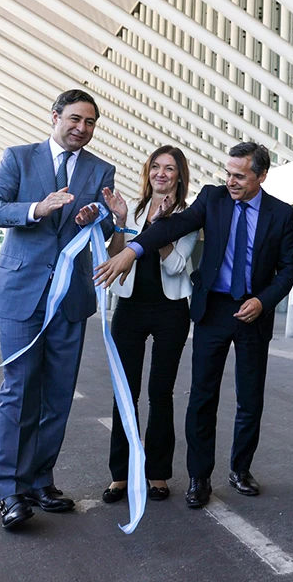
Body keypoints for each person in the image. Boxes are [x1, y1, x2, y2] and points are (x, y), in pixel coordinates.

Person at [96, 142, 293, 507]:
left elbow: (289, 269)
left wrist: (263, 301)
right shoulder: (213, 199)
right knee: (202, 396)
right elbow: (171, 227)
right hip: (214, 310)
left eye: (240, 175)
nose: (231, 181)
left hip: (253, 309)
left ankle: (240, 469)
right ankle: (198, 477)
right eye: (228, 173)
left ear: (261, 176)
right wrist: (131, 250)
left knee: (249, 398)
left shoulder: (281, 214)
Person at [0, 89, 115, 529]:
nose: (82, 129)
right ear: (54, 116)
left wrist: (99, 215)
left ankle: (41, 480)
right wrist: (38, 208)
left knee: (57, 395)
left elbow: (106, 224)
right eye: (75, 119)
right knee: (19, 391)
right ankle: (10, 491)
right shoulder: (18, 158)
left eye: (90, 123)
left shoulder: (100, 169)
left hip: (71, 297)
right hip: (22, 295)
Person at [98, 146, 198, 504]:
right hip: (130, 308)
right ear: (148, 172)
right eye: (155, 167)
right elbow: (115, 257)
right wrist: (123, 221)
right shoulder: (134, 210)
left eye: (169, 168)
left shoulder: (188, 216)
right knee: (125, 393)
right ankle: (120, 475)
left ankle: (158, 473)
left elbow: (175, 266)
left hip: (171, 310)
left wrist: (161, 230)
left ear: (179, 176)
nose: (161, 173)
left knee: (160, 394)